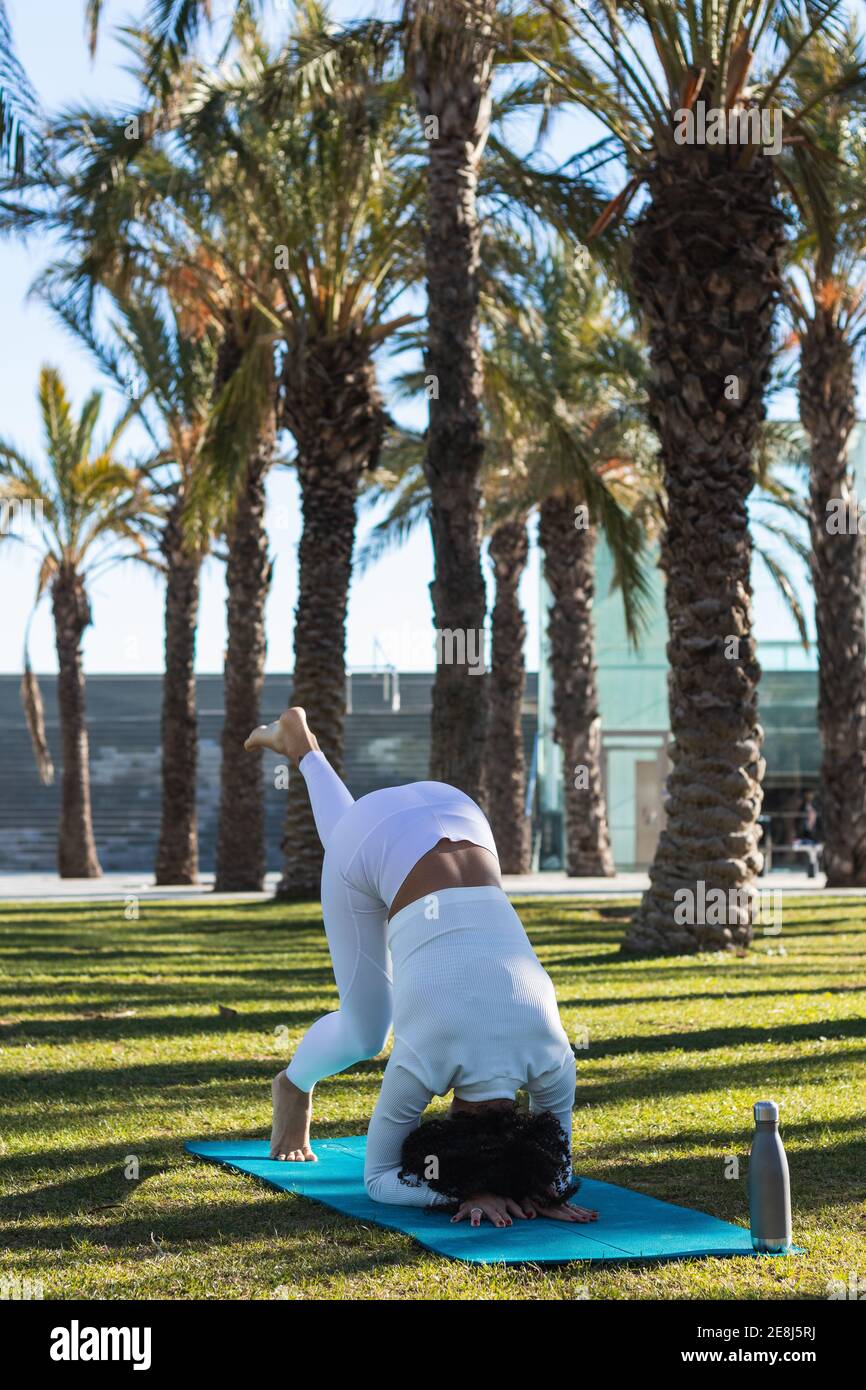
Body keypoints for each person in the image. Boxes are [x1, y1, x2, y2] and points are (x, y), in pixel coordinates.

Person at [245, 707, 597, 1230]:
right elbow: (380, 1179)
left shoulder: (554, 1061)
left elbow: (559, 1159)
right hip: (394, 834)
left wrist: (537, 1182)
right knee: (365, 1034)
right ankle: (293, 1087)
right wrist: (465, 1191)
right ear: (453, 1119)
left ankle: (306, 752)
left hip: (458, 811)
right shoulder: (429, 1057)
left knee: (365, 841)